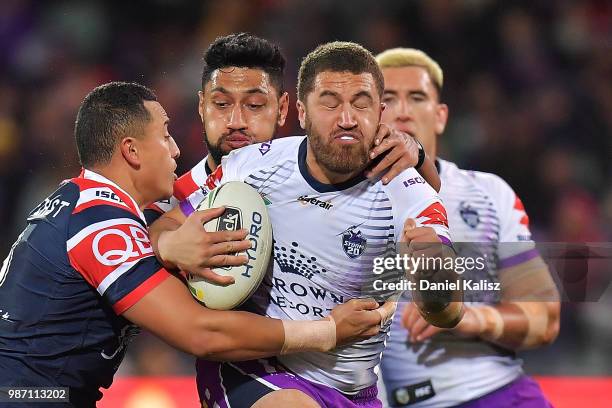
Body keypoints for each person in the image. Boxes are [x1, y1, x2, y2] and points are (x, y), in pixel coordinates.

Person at [0, 82, 387, 408]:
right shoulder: (101, 223)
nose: (175, 149)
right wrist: (326, 332)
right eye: (165, 134)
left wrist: (164, 247)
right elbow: (201, 333)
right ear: (131, 151)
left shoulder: (81, 200)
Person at [150, 42, 462, 408]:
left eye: (361, 103)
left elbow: (449, 311)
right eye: (329, 102)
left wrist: (431, 275)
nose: (346, 118)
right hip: (255, 370)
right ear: (301, 111)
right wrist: (171, 244)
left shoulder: (411, 195)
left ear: (381, 111)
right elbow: (163, 225)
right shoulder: (251, 166)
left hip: (356, 393)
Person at [146, 33, 442, 285]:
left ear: (285, 109)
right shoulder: (173, 198)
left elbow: (420, 198)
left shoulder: (339, 160)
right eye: (221, 104)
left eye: (255, 105)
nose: (236, 120)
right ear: (201, 106)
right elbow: (191, 326)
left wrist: (419, 157)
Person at [376, 48, 560, 407]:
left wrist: (465, 317)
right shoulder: (336, 201)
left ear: (441, 116)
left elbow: (546, 320)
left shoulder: (488, 193)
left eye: (416, 97)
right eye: (387, 99)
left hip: (495, 393)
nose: (402, 110)